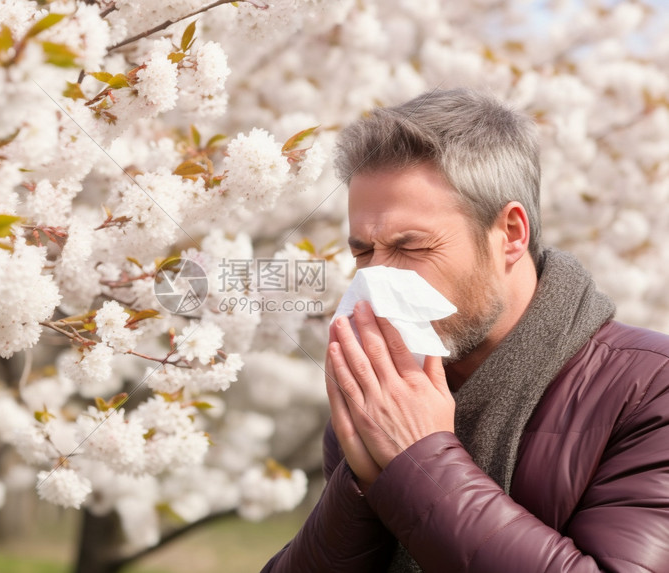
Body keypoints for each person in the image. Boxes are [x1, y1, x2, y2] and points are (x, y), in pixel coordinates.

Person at [262, 88, 669, 572]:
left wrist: (418, 460)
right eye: (364, 253)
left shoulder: (650, 389)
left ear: (511, 235)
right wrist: (363, 485)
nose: (378, 280)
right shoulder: (383, 394)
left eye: (411, 248)